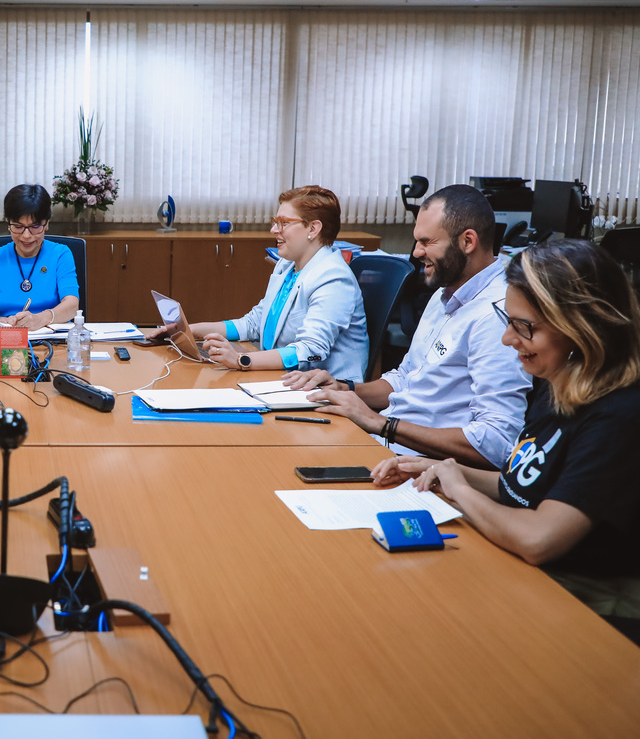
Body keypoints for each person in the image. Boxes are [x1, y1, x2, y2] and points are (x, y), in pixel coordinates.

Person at [372, 240, 640, 618]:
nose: (507, 339)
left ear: (581, 326)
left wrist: (461, 490)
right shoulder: (560, 383)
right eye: (508, 321)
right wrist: (443, 470)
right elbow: (522, 485)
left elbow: (538, 538)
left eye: (523, 327)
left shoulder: (617, 416)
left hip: (585, 596)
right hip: (533, 570)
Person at [285, 184, 530, 469]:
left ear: (467, 241)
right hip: (387, 441)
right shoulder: (444, 293)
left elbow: (497, 443)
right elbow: (406, 378)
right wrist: (346, 388)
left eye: (426, 242)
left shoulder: (495, 316)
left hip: (419, 464)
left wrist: (381, 424)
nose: (416, 252)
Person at [158, 185, 368, 382]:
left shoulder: (333, 278)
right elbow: (254, 324)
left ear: (313, 228)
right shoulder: (287, 266)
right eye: (275, 222)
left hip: (323, 390)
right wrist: (189, 330)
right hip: (281, 378)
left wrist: (241, 360)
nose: (274, 230)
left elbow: (311, 351)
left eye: (283, 223)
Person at [0, 184, 79, 330]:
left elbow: (72, 305)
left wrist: (40, 319)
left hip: (52, 337)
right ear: (8, 225)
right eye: (18, 227)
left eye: (35, 227)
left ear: (47, 224)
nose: (26, 236)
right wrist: (1, 321)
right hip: (8, 338)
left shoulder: (61, 254)